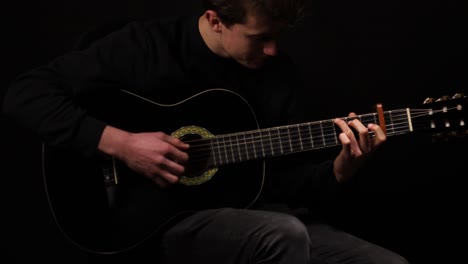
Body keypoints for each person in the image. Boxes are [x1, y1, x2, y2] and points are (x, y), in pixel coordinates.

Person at [2, 0, 410, 263]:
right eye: (260, 38)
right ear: (215, 19)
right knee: (282, 234)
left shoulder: (278, 75)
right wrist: (121, 143)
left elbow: (288, 183)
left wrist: (341, 169)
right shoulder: (147, 46)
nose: (272, 50)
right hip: (156, 222)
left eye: (278, 37)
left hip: (255, 214)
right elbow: (26, 93)